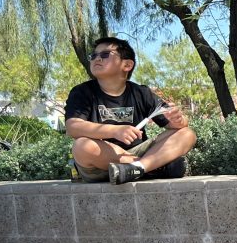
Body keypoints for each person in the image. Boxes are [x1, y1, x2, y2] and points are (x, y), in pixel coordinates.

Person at [64, 37, 197, 184]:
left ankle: (136, 169)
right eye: (93, 55)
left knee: (187, 134)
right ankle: (151, 167)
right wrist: (115, 131)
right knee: (82, 146)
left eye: (105, 54)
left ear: (127, 65)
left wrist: (179, 120)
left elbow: (176, 126)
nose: (97, 59)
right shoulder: (82, 92)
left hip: (139, 153)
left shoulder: (141, 93)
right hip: (101, 161)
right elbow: (73, 127)